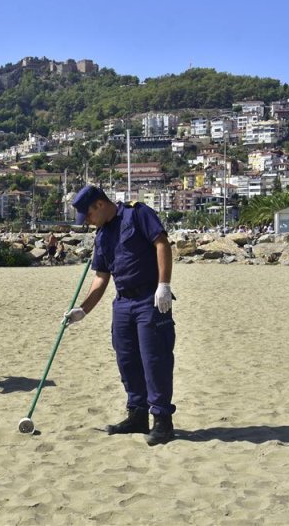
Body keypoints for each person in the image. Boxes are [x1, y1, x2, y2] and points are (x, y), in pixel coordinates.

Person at [63, 185, 177, 446]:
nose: (89, 223)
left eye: (88, 216)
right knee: (127, 360)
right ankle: (137, 415)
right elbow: (101, 276)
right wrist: (83, 309)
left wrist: (164, 285)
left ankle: (162, 422)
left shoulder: (137, 214)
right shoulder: (102, 235)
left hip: (150, 298)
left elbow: (161, 243)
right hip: (123, 303)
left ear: (99, 205)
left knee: (154, 361)